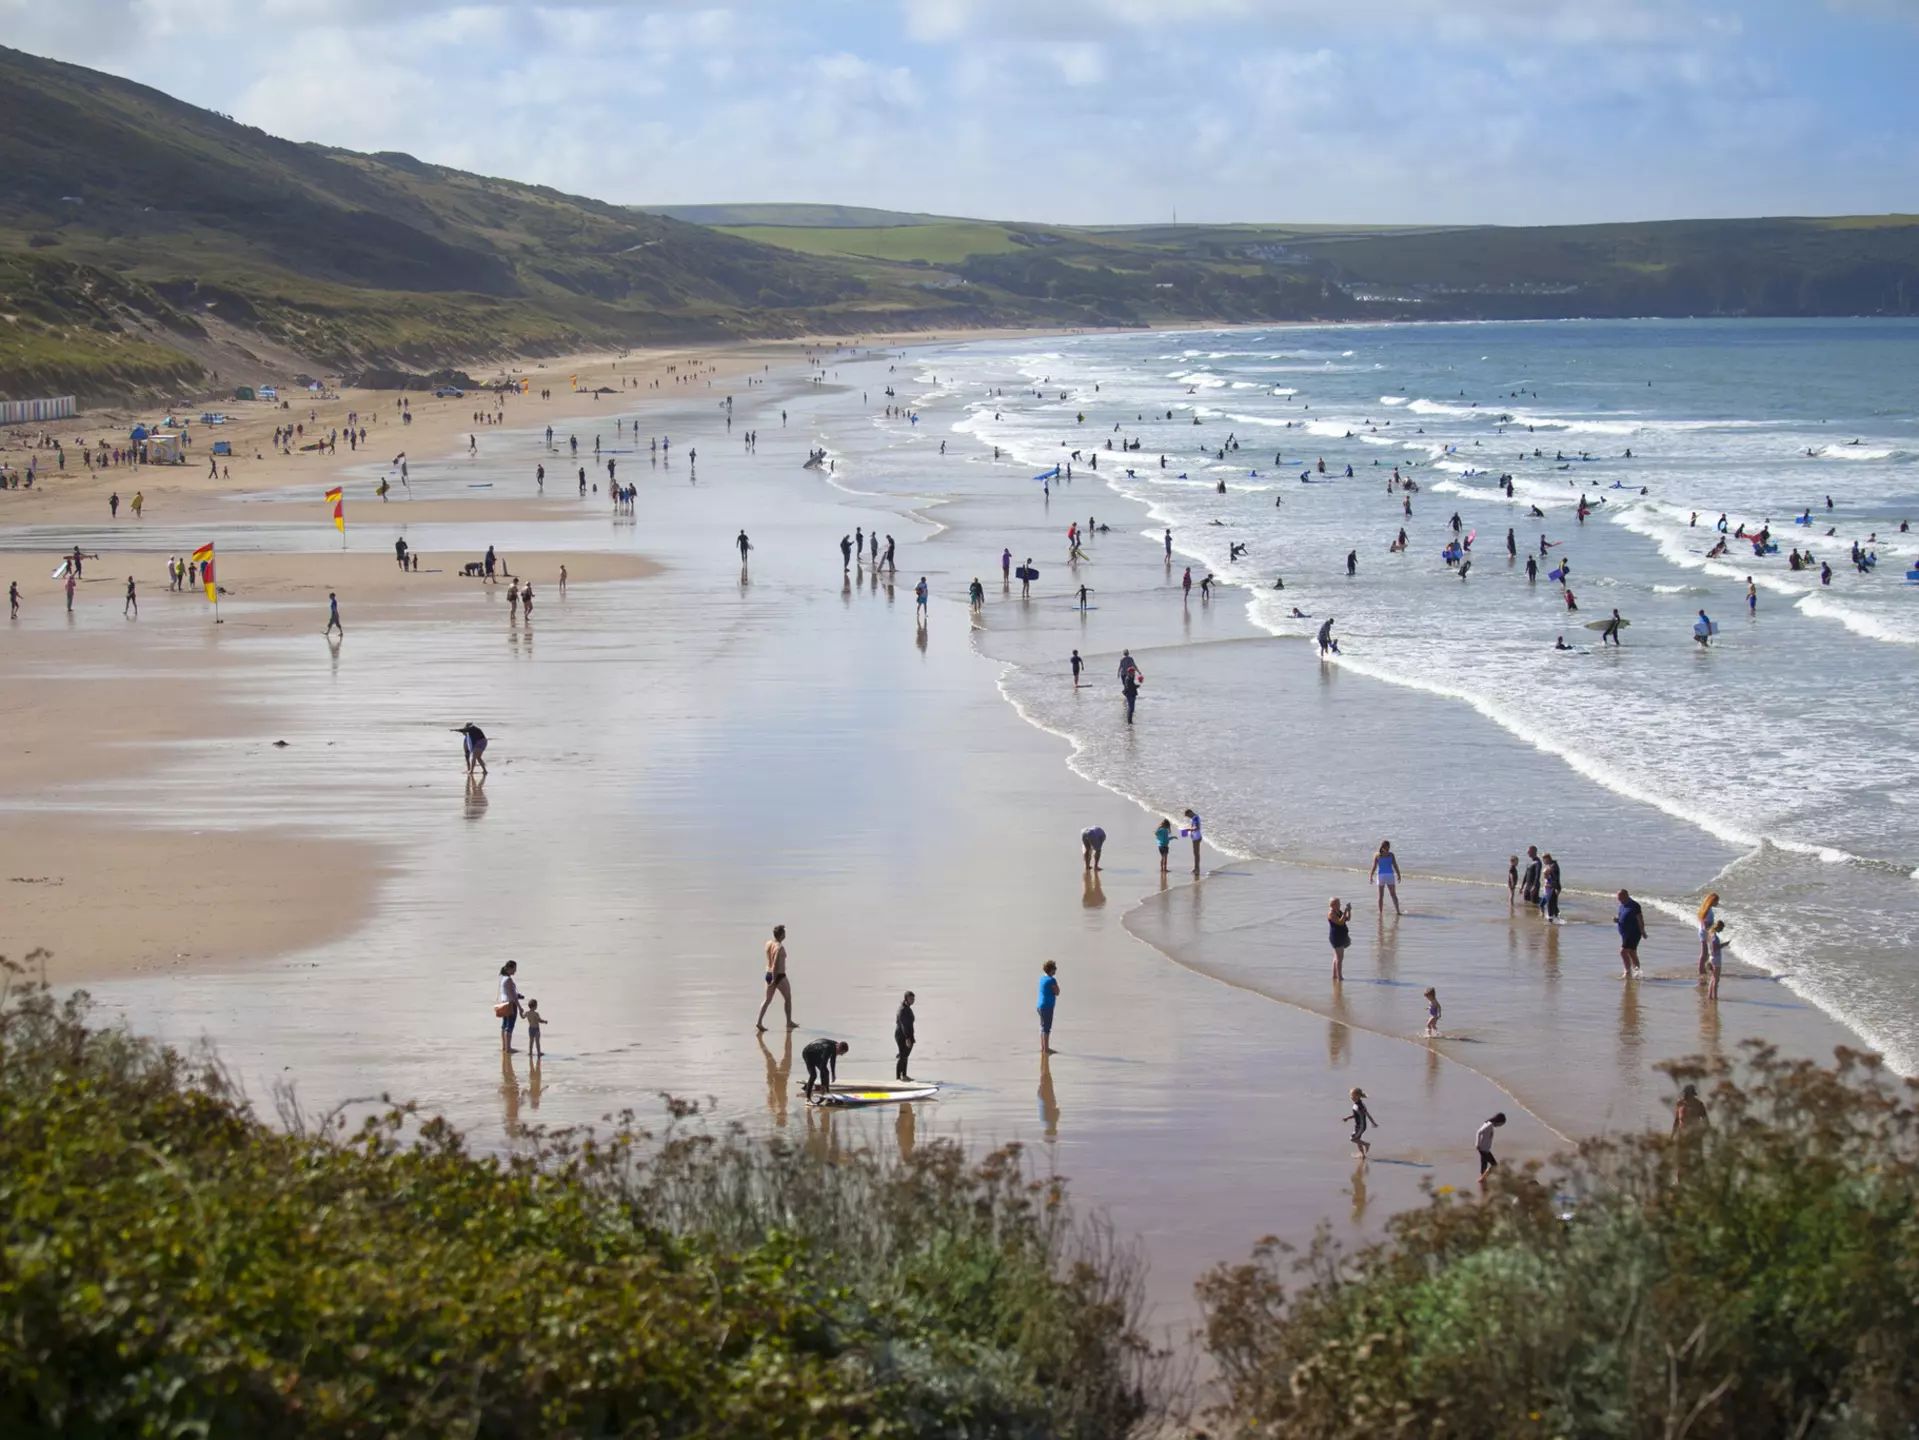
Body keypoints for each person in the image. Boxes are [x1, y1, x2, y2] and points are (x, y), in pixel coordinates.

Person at [756, 923, 795, 1031]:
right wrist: (774, 979)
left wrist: (771, 978)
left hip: (767, 974)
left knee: (767, 1000)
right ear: (782, 935)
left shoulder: (768, 943)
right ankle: (789, 1021)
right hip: (778, 976)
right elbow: (775, 964)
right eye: (784, 933)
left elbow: (770, 961)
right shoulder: (780, 948)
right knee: (788, 998)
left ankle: (758, 1022)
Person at [1616, 888, 1646, 977]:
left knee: (1623, 951)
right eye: (1618, 898)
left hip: (1633, 932)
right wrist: (1617, 920)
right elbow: (1622, 917)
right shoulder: (1622, 905)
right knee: (1632, 952)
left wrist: (1642, 931)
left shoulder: (1634, 905)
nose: (1618, 899)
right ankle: (1637, 973)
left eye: (1620, 897)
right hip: (1625, 934)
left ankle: (1627, 972)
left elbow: (1640, 919)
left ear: (1625, 895)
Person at [1369, 840, 1403, 917]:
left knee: (1389, 894)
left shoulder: (1387, 855)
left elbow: (1394, 865)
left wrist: (1398, 874)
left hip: (1386, 875)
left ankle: (1394, 911)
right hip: (1384, 876)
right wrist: (1371, 876)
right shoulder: (1380, 855)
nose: (1388, 849)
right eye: (1387, 847)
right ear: (1384, 847)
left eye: (1389, 848)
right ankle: (1383, 912)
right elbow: (1374, 867)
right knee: (1385, 895)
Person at [495, 961, 522, 1053]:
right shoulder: (508, 979)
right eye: (514, 968)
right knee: (509, 1026)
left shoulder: (503, 978)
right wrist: (520, 1007)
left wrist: (517, 995)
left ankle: (504, 1046)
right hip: (510, 1004)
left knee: (504, 1025)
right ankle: (508, 1048)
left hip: (503, 1003)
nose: (515, 971)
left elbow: (507, 992)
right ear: (510, 968)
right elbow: (512, 996)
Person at [1345, 1087, 1377, 1159]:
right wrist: (1347, 1118)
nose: (1351, 1097)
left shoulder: (1360, 1106)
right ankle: (1363, 1155)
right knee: (1357, 1140)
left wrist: (1373, 1123)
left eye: (1352, 1096)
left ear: (1357, 1096)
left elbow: (1367, 1114)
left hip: (1361, 1126)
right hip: (1358, 1125)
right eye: (1350, 1095)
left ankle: (1367, 1144)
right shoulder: (1355, 1104)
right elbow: (1356, 1115)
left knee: (1353, 1139)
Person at [1037, 960, 1060, 1054]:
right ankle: (1046, 1049)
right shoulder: (1052, 980)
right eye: (1054, 968)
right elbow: (1057, 992)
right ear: (1051, 970)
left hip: (1040, 1005)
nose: (1056, 970)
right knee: (1047, 1029)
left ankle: (1043, 1048)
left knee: (1042, 1027)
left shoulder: (1042, 978)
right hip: (1047, 1007)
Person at [1476, 1112, 1507, 1179]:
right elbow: (1479, 1132)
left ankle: (1482, 1178)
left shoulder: (1490, 1125)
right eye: (1501, 1124)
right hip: (1483, 1148)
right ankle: (1482, 1178)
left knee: (1484, 1164)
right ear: (1499, 1121)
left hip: (1485, 1149)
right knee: (1494, 1165)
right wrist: (1477, 1143)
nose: (1500, 1126)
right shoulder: (1489, 1125)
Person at [1328, 897, 1352, 981]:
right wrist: (1345, 911)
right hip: (1336, 937)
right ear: (1333, 905)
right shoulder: (1331, 914)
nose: (1340, 905)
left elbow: (1347, 919)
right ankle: (1339, 976)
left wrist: (1349, 911)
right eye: (1338, 904)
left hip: (1341, 935)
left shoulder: (1338, 911)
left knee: (1336, 956)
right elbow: (1340, 922)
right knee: (1340, 957)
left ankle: (1334, 975)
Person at [1696, 892, 1720, 974]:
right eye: (1717, 901)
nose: (1717, 903)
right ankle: (1701, 970)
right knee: (1704, 953)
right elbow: (1705, 924)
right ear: (1712, 901)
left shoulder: (1705, 909)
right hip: (1705, 932)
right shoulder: (1708, 911)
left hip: (1703, 932)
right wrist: (1713, 927)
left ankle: (1703, 968)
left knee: (1706, 953)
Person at [895, 991, 916, 1081]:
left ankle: (904, 1075)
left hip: (907, 1035)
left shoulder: (907, 1008)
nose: (913, 1000)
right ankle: (898, 1078)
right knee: (903, 1056)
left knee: (905, 1056)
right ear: (906, 999)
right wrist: (907, 1038)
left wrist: (911, 1037)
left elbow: (910, 1025)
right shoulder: (903, 1009)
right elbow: (904, 1025)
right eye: (911, 998)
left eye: (913, 999)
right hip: (902, 1035)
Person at [1706, 921, 1727, 1000]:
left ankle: (1710, 995)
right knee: (1716, 980)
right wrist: (1724, 945)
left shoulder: (1710, 934)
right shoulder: (1714, 936)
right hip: (1716, 958)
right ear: (1718, 927)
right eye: (1721, 929)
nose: (1721, 931)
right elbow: (1715, 948)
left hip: (1711, 958)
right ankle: (1714, 997)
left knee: (1713, 978)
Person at [1181, 809, 1203, 876]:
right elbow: (1194, 827)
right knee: (1195, 853)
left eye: (1188, 815)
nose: (1188, 817)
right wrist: (1190, 832)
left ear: (1190, 813)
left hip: (1197, 837)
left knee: (1196, 854)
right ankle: (1195, 868)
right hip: (1195, 837)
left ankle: (1197, 869)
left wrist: (1188, 830)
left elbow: (1197, 827)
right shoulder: (1194, 817)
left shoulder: (1195, 818)